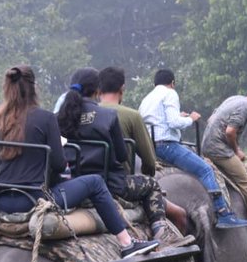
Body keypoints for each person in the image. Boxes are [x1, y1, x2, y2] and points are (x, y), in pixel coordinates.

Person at [0, 64, 158, 258]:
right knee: (94, 182)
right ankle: (127, 243)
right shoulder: (46, 118)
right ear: (34, 88)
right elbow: (60, 165)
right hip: (34, 199)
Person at [56, 67, 187, 246]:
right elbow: (121, 154)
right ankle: (161, 231)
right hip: (111, 185)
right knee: (152, 184)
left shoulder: (60, 117)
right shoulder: (108, 115)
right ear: (96, 90)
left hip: (74, 184)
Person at [137, 68, 247, 229]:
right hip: (167, 145)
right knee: (205, 169)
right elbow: (173, 123)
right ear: (172, 83)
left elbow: (162, 120)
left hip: (151, 146)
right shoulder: (170, 93)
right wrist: (191, 118)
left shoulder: (147, 98)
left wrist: (179, 116)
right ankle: (222, 212)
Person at [96, 66, 191, 235]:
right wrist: (148, 172)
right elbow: (148, 160)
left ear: (98, 89)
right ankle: (164, 236)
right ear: (122, 89)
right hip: (120, 185)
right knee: (179, 214)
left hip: (87, 183)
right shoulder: (131, 115)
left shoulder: (83, 114)